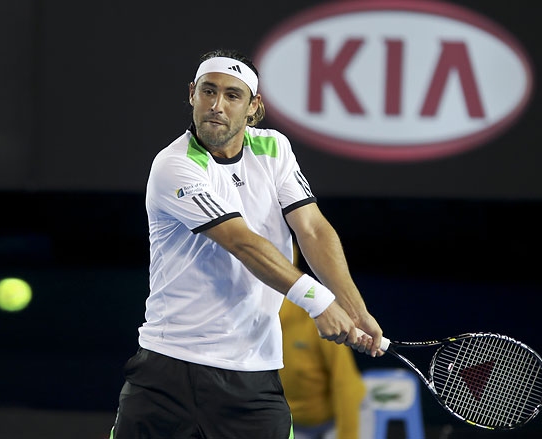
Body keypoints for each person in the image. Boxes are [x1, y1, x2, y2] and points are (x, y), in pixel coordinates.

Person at [109, 48, 384, 439]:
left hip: (254, 376)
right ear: (192, 94)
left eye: (232, 95)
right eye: (208, 91)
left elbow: (312, 229)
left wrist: (355, 309)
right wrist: (320, 302)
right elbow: (242, 243)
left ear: (253, 106)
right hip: (168, 370)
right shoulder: (175, 164)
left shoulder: (274, 149)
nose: (216, 105)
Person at [280, 271, 366, 439]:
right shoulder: (250, 321)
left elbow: (344, 383)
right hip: (294, 422)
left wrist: (347, 435)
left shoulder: (318, 320)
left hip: (340, 416)